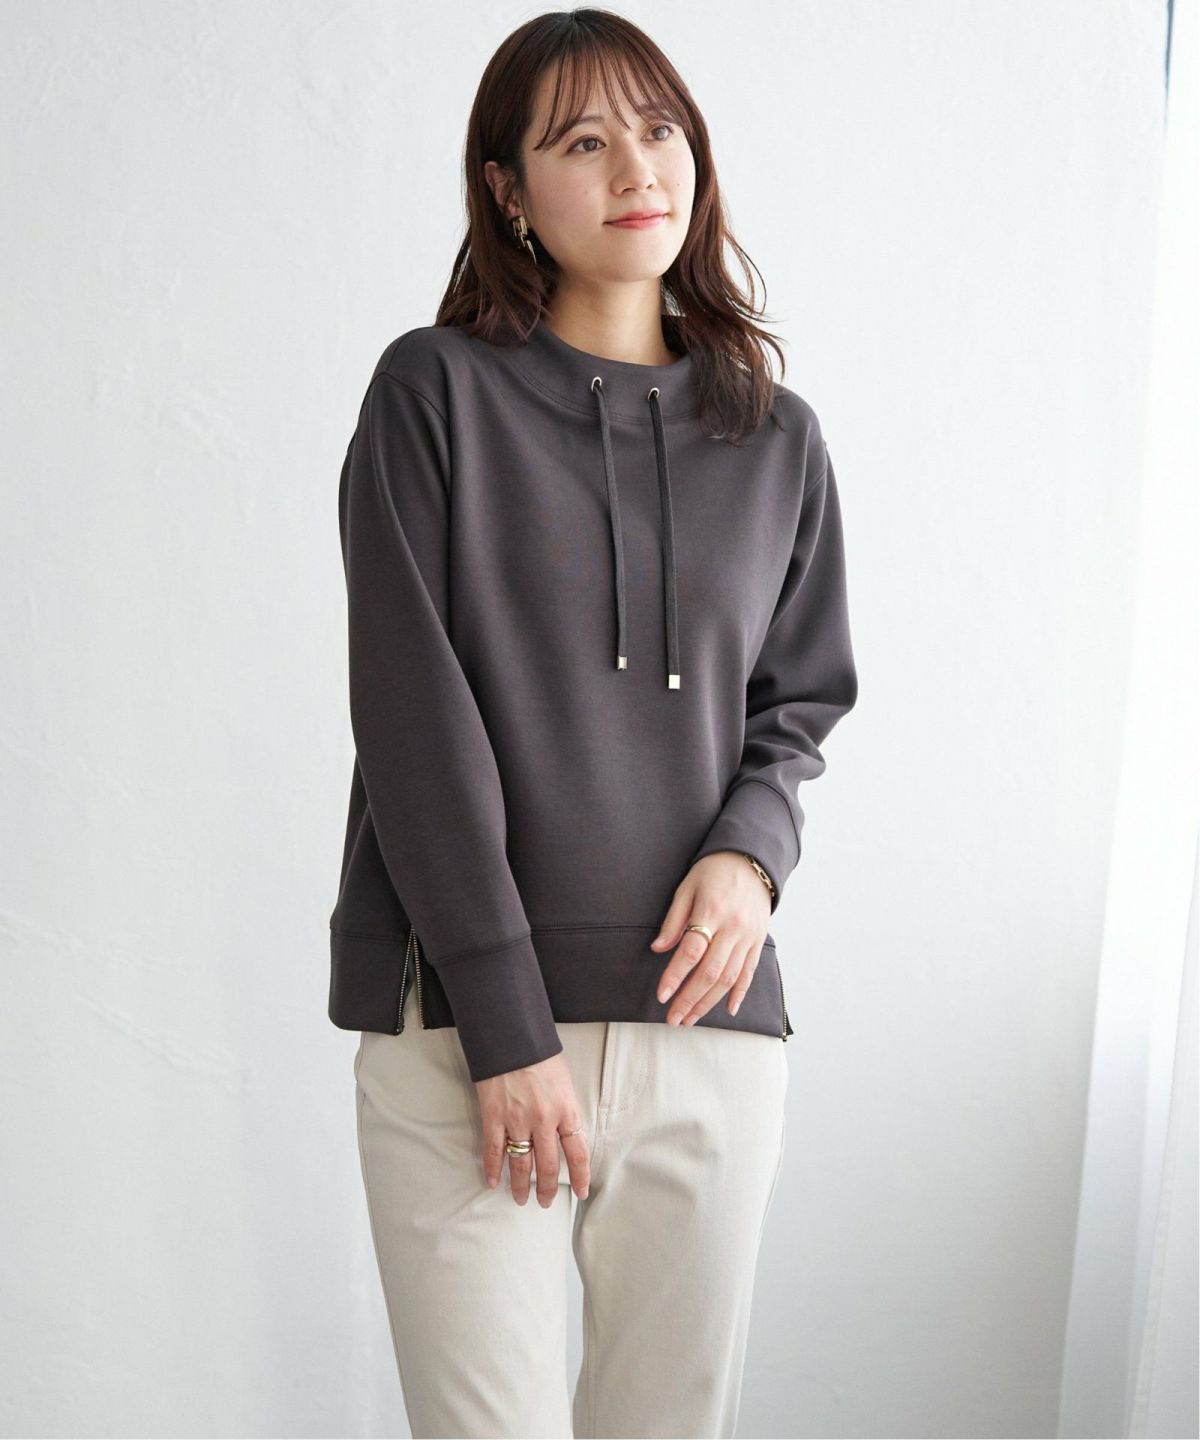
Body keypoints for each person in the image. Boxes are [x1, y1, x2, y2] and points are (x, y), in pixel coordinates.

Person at [329, 9, 858, 1437]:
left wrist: (750, 859)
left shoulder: (777, 437)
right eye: (581, 140)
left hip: (707, 1026)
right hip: (466, 1034)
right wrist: (506, 1025)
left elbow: (797, 702)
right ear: (506, 189)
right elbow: (411, 716)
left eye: (660, 129)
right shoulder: (434, 394)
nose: (638, 167)